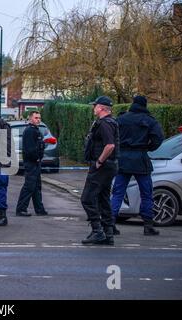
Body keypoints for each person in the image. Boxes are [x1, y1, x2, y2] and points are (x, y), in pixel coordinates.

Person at [111, 95, 164, 236]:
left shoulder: (121, 119)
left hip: (123, 158)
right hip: (140, 158)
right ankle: (148, 225)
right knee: (146, 194)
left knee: (118, 193)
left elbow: (112, 137)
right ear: (145, 105)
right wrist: (148, 148)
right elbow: (158, 139)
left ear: (133, 104)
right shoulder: (149, 120)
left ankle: (109, 224)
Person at [81, 96, 119, 245]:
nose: (93, 108)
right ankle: (108, 233)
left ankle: (98, 231)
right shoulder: (111, 122)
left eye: (95, 105)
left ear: (102, 108)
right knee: (103, 199)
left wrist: (99, 161)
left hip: (102, 167)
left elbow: (110, 145)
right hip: (109, 166)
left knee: (87, 199)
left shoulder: (104, 124)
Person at [15, 110, 48, 217]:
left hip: (35, 163)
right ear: (30, 119)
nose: (38, 120)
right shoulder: (30, 131)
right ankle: (21, 209)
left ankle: (39, 209)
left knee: (37, 187)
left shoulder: (35, 130)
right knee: (29, 187)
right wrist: (37, 158)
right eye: (36, 118)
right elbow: (30, 149)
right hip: (31, 163)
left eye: (39, 118)